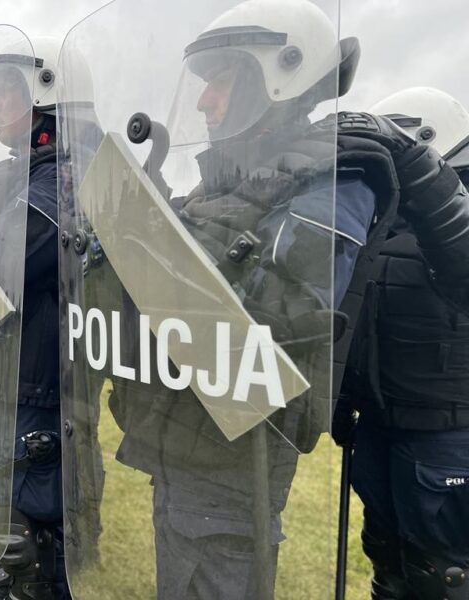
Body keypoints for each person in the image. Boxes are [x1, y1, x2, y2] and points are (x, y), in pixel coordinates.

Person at [55, 0, 410, 597]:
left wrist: (159, 246)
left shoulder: (338, 181)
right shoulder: (227, 180)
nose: (202, 101)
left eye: (219, 81)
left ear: (279, 75)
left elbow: (274, 314)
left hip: (235, 457)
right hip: (181, 439)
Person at [337, 86, 469, 600]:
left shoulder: (452, 221)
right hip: (380, 428)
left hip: (446, 441)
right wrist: (346, 398)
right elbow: (359, 319)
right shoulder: (384, 219)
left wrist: (412, 160)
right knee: (387, 565)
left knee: (444, 579)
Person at [0, 35, 68, 600]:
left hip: (42, 378)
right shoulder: (24, 172)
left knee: (42, 514)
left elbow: (7, 258)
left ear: (47, 95)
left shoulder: (64, 174)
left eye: (7, 92)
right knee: (14, 501)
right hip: (12, 366)